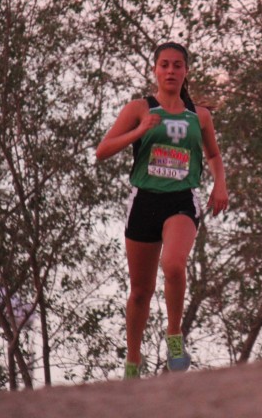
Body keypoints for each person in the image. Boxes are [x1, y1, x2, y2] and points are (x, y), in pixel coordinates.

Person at [96, 42, 228, 379]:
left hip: (181, 200)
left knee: (174, 264)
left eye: (178, 65)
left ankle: (174, 335)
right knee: (140, 291)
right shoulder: (139, 108)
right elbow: (103, 150)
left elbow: (212, 154)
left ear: (186, 72)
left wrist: (220, 184)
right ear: (155, 70)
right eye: (165, 65)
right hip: (144, 202)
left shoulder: (199, 116)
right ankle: (132, 361)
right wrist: (140, 131)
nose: (171, 71)